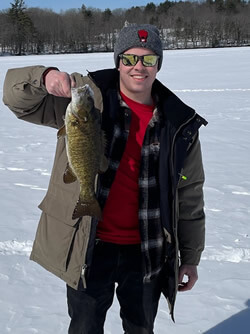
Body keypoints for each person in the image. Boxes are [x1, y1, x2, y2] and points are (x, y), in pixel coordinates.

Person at [3, 24, 207, 334]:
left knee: (140, 329)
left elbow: (189, 195)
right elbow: (15, 98)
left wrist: (190, 257)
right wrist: (44, 77)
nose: (138, 67)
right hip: (90, 245)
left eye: (148, 60)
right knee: (84, 328)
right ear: (118, 61)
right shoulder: (86, 100)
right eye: (129, 59)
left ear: (159, 64)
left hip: (147, 251)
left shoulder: (179, 124)